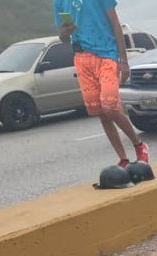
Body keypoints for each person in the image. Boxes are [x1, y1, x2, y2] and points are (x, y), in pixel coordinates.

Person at [54, 0, 149, 168]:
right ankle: (123, 159)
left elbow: (115, 24)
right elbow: (62, 37)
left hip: (107, 54)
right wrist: (66, 31)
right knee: (101, 111)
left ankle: (139, 145)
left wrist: (123, 61)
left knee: (109, 106)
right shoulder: (59, 1)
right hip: (82, 58)